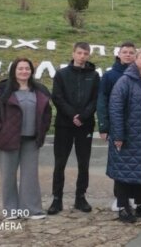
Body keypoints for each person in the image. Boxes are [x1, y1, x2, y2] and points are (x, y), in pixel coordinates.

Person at [0, 57, 52, 220]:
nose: (24, 71)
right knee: (8, 176)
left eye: (27, 68)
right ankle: (11, 211)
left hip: (31, 140)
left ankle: (31, 209)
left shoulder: (39, 90)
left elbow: (47, 113)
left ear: (31, 71)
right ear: (14, 70)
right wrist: (0, 129)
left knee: (30, 176)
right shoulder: (3, 89)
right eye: (20, 68)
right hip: (7, 140)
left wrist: (43, 129)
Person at [107, 47, 141, 223]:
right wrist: (118, 135)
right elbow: (115, 108)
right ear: (136, 60)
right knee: (124, 171)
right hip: (130, 135)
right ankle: (123, 207)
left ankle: (140, 204)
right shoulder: (125, 80)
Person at [48, 42, 99, 215]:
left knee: (83, 163)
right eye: (79, 53)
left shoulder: (94, 75)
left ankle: (80, 197)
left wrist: (83, 116)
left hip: (85, 125)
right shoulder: (61, 74)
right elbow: (57, 97)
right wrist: (72, 115)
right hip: (64, 125)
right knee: (60, 163)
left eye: (85, 53)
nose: (82, 56)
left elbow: (95, 99)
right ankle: (57, 199)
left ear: (89, 55)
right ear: (73, 53)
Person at [97, 41, 137, 212]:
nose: (128, 55)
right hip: (117, 125)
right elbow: (102, 101)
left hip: (136, 127)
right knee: (118, 163)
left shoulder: (140, 74)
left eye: (131, 52)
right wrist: (104, 126)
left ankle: (133, 196)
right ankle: (119, 197)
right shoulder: (109, 76)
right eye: (125, 52)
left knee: (134, 163)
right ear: (119, 54)